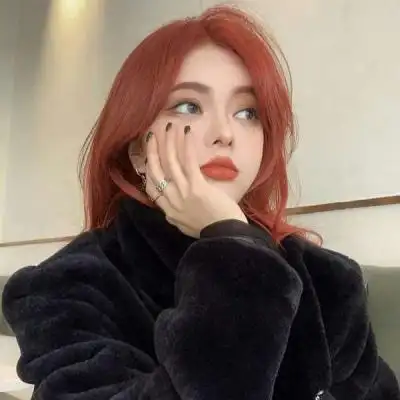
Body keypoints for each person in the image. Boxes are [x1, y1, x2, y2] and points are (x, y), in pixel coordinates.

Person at [2, 5, 399, 400]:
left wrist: (234, 240)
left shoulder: (326, 280)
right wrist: (233, 253)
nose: (225, 132)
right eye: (189, 106)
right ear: (138, 149)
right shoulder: (65, 285)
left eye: (248, 112)